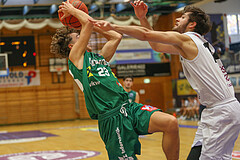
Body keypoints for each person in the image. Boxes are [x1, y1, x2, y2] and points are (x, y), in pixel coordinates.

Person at [89, 1, 240, 159]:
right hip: (215, 111)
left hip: (222, 113)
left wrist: (113, 27)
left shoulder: (187, 39)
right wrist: (142, 18)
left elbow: (146, 35)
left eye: (182, 18)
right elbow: (156, 45)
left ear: (192, 24)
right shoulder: (196, 43)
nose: (176, 20)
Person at [50, 1, 179, 160]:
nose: (82, 34)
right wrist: (73, 11)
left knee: (170, 123)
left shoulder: (99, 58)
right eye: (78, 35)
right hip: (111, 118)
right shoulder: (75, 59)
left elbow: (115, 36)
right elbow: (87, 25)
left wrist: (92, 23)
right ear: (71, 46)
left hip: (129, 108)